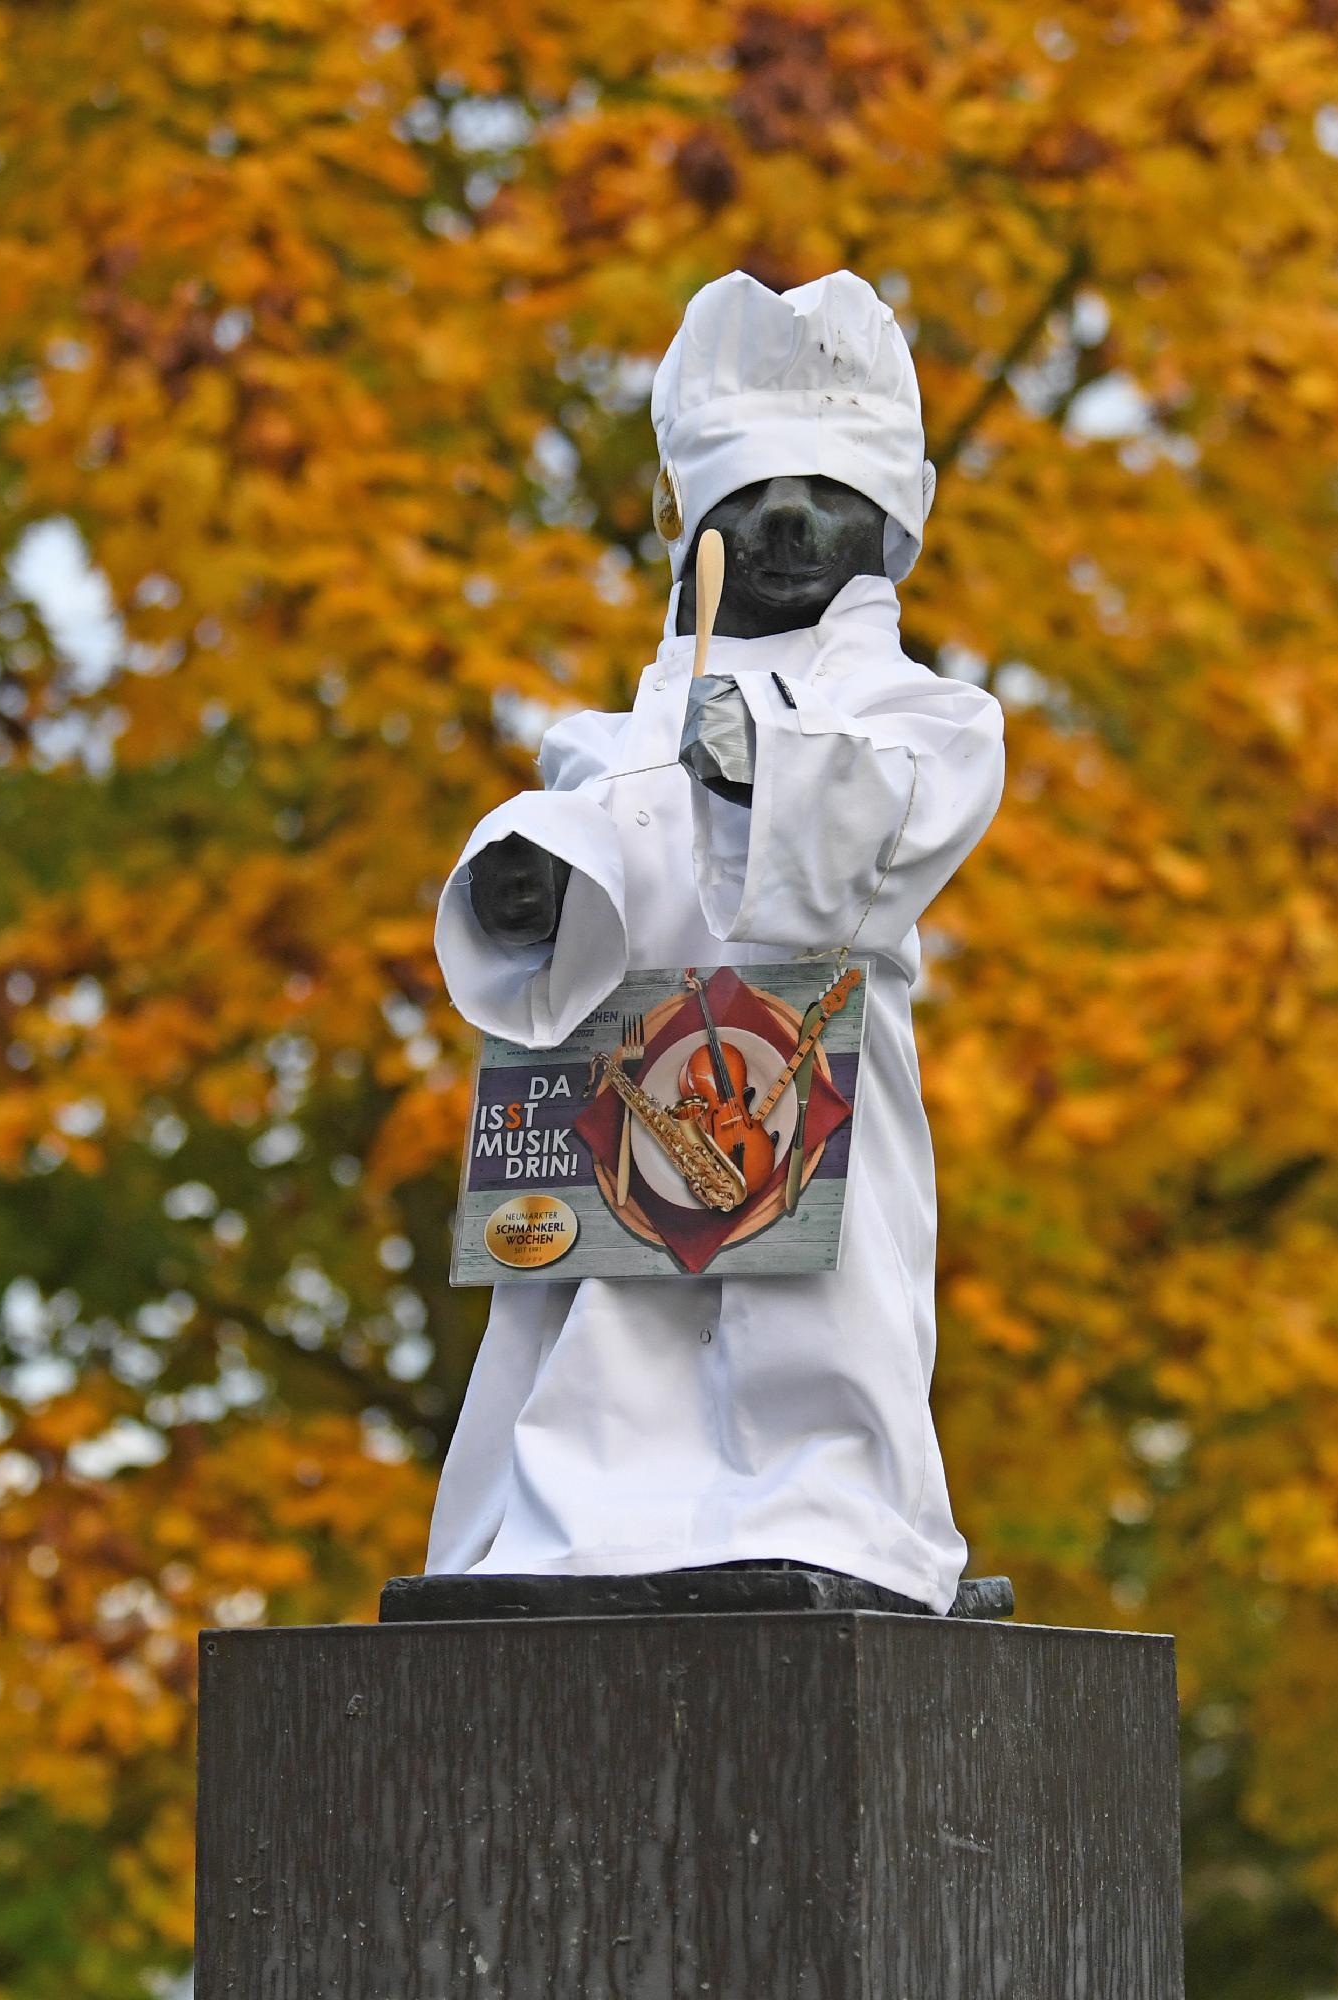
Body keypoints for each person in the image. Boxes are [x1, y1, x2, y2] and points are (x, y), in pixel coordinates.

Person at [425, 269, 1004, 1613]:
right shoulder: (614, 733)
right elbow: (596, 828)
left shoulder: (928, 715)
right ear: (690, 529)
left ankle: (828, 1515)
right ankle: (587, 1520)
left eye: (826, 497)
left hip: (812, 1094)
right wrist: (531, 879)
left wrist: (771, 769)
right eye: (750, 500)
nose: (790, 523)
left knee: (815, 1329)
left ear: (891, 525)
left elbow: (886, 829)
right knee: (602, 1338)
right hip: (631, 1097)